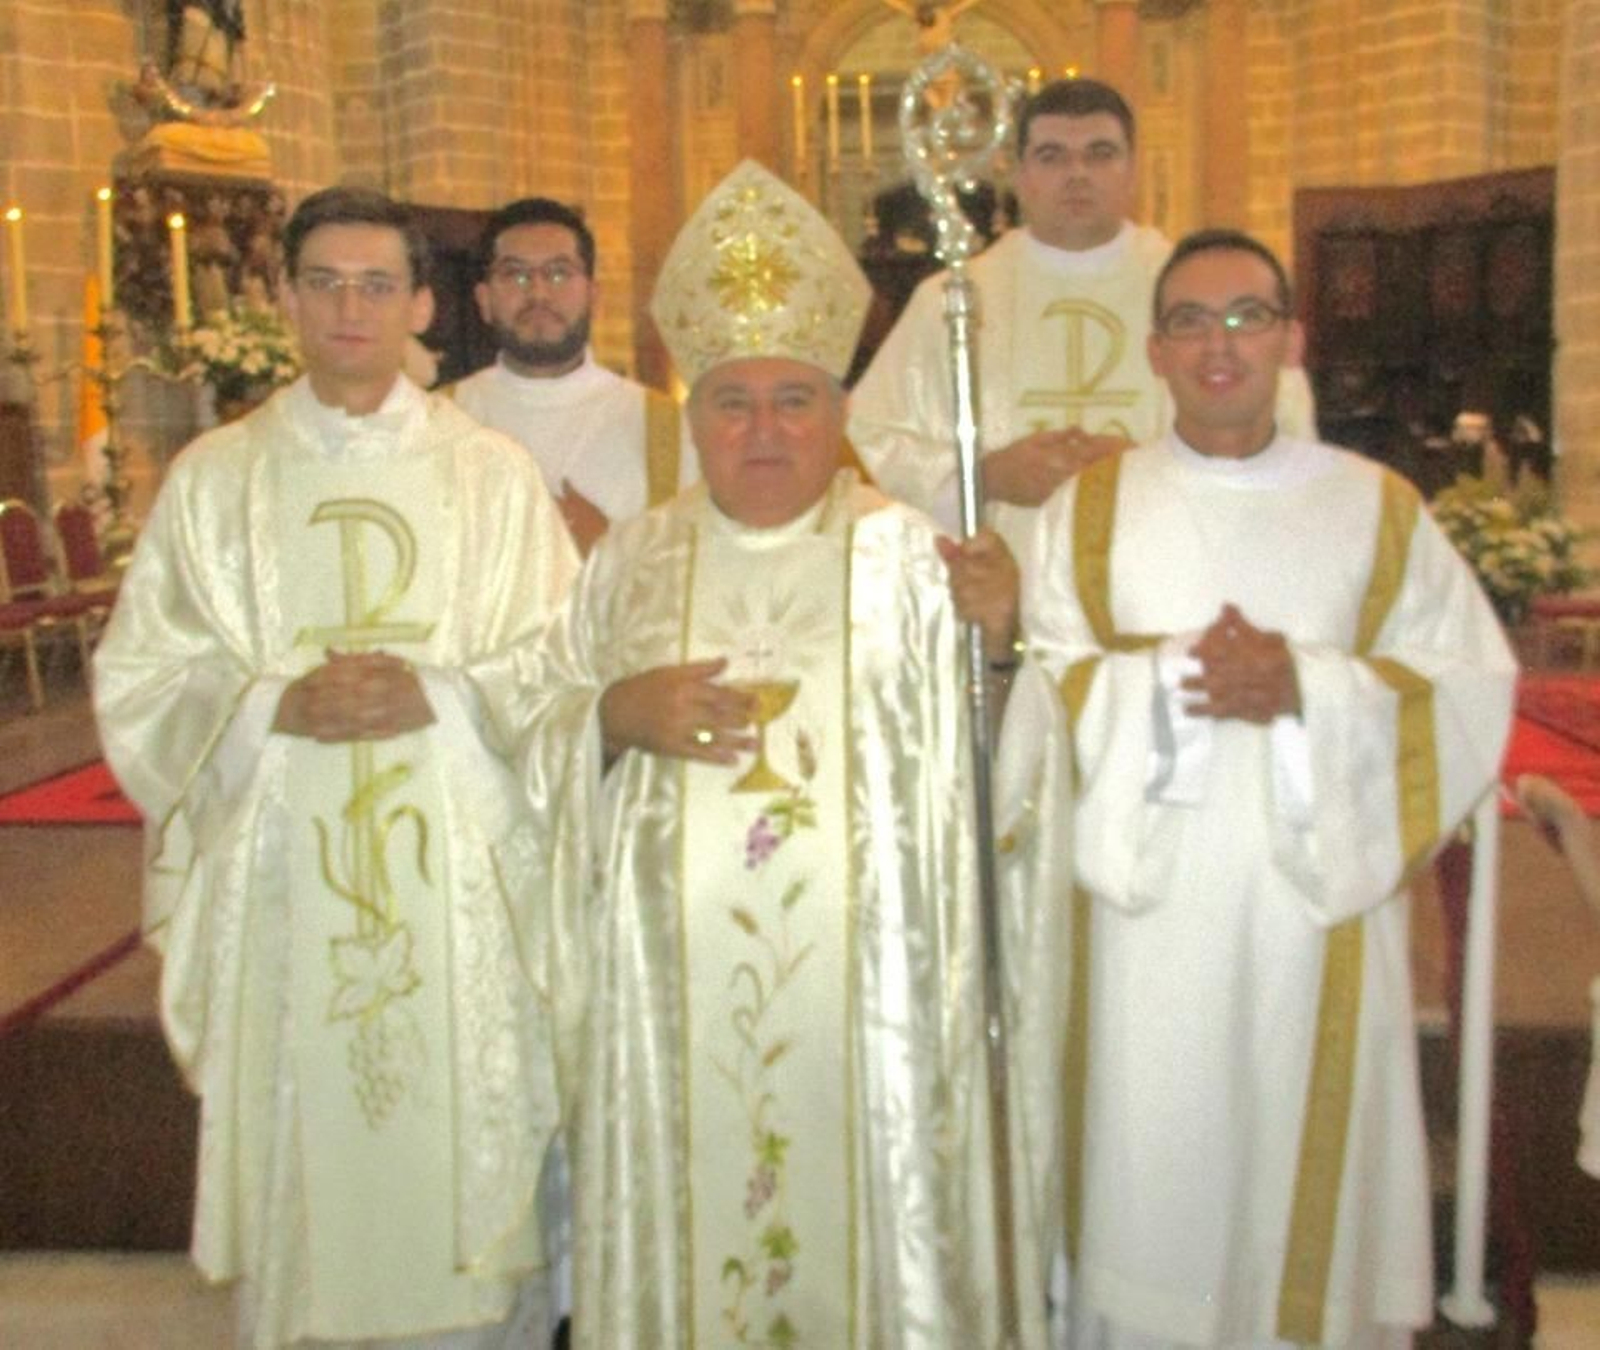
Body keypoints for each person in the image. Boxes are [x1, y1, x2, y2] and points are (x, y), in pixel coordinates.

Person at [516, 159, 1061, 1348]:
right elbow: (528, 735)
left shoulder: (917, 560)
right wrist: (611, 717)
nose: (763, 428)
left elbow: (1006, 804)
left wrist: (1008, 646)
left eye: (794, 399)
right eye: (731, 400)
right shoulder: (629, 562)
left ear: (841, 413)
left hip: (874, 1016)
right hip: (667, 1010)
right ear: (692, 415)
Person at [93, 186, 580, 1350]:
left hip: (459, 879)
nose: (349, 308)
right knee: (314, 1169)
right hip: (281, 876)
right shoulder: (218, 478)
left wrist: (440, 692)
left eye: (375, 285)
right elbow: (144, 677)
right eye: (324, 282)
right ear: (285, 299)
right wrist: (270, 705)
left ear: (423, 304)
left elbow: (565, 669)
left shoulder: (493, 474)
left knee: (461, 1161)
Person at [1015, 228, 1515, 1348]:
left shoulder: (1377, 507)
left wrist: (1302, 688)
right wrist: (1177, 681)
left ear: (1292, 337)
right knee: (1153, 1161)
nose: (1219, 344)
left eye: (1245, 315)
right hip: (1143, 921)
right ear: (1154, 350)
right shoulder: (1088, 513)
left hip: (1313, 914)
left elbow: (1469, 681)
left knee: (1302, 1152)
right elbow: (1044, 691)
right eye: (1190, 321)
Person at [848, 77, 1315, 555]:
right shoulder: (954, 300)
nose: (1077, 173)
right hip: (1005, 588)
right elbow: (867, 441)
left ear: (1132, 171)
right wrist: (982, 476)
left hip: (1172, 577)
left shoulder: (1195, 291)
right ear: (1022, 175)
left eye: (1100, 154)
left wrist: (1153, 469)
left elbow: (1285, 426)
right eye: (1052, 156)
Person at [451, 196, 692, 555]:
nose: (538, 292)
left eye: (559, 273)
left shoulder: (666, 428)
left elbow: (692, 574)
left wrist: (604, 548)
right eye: (515, 274)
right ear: (484, 300)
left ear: (595, 296)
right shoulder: (441, 418)